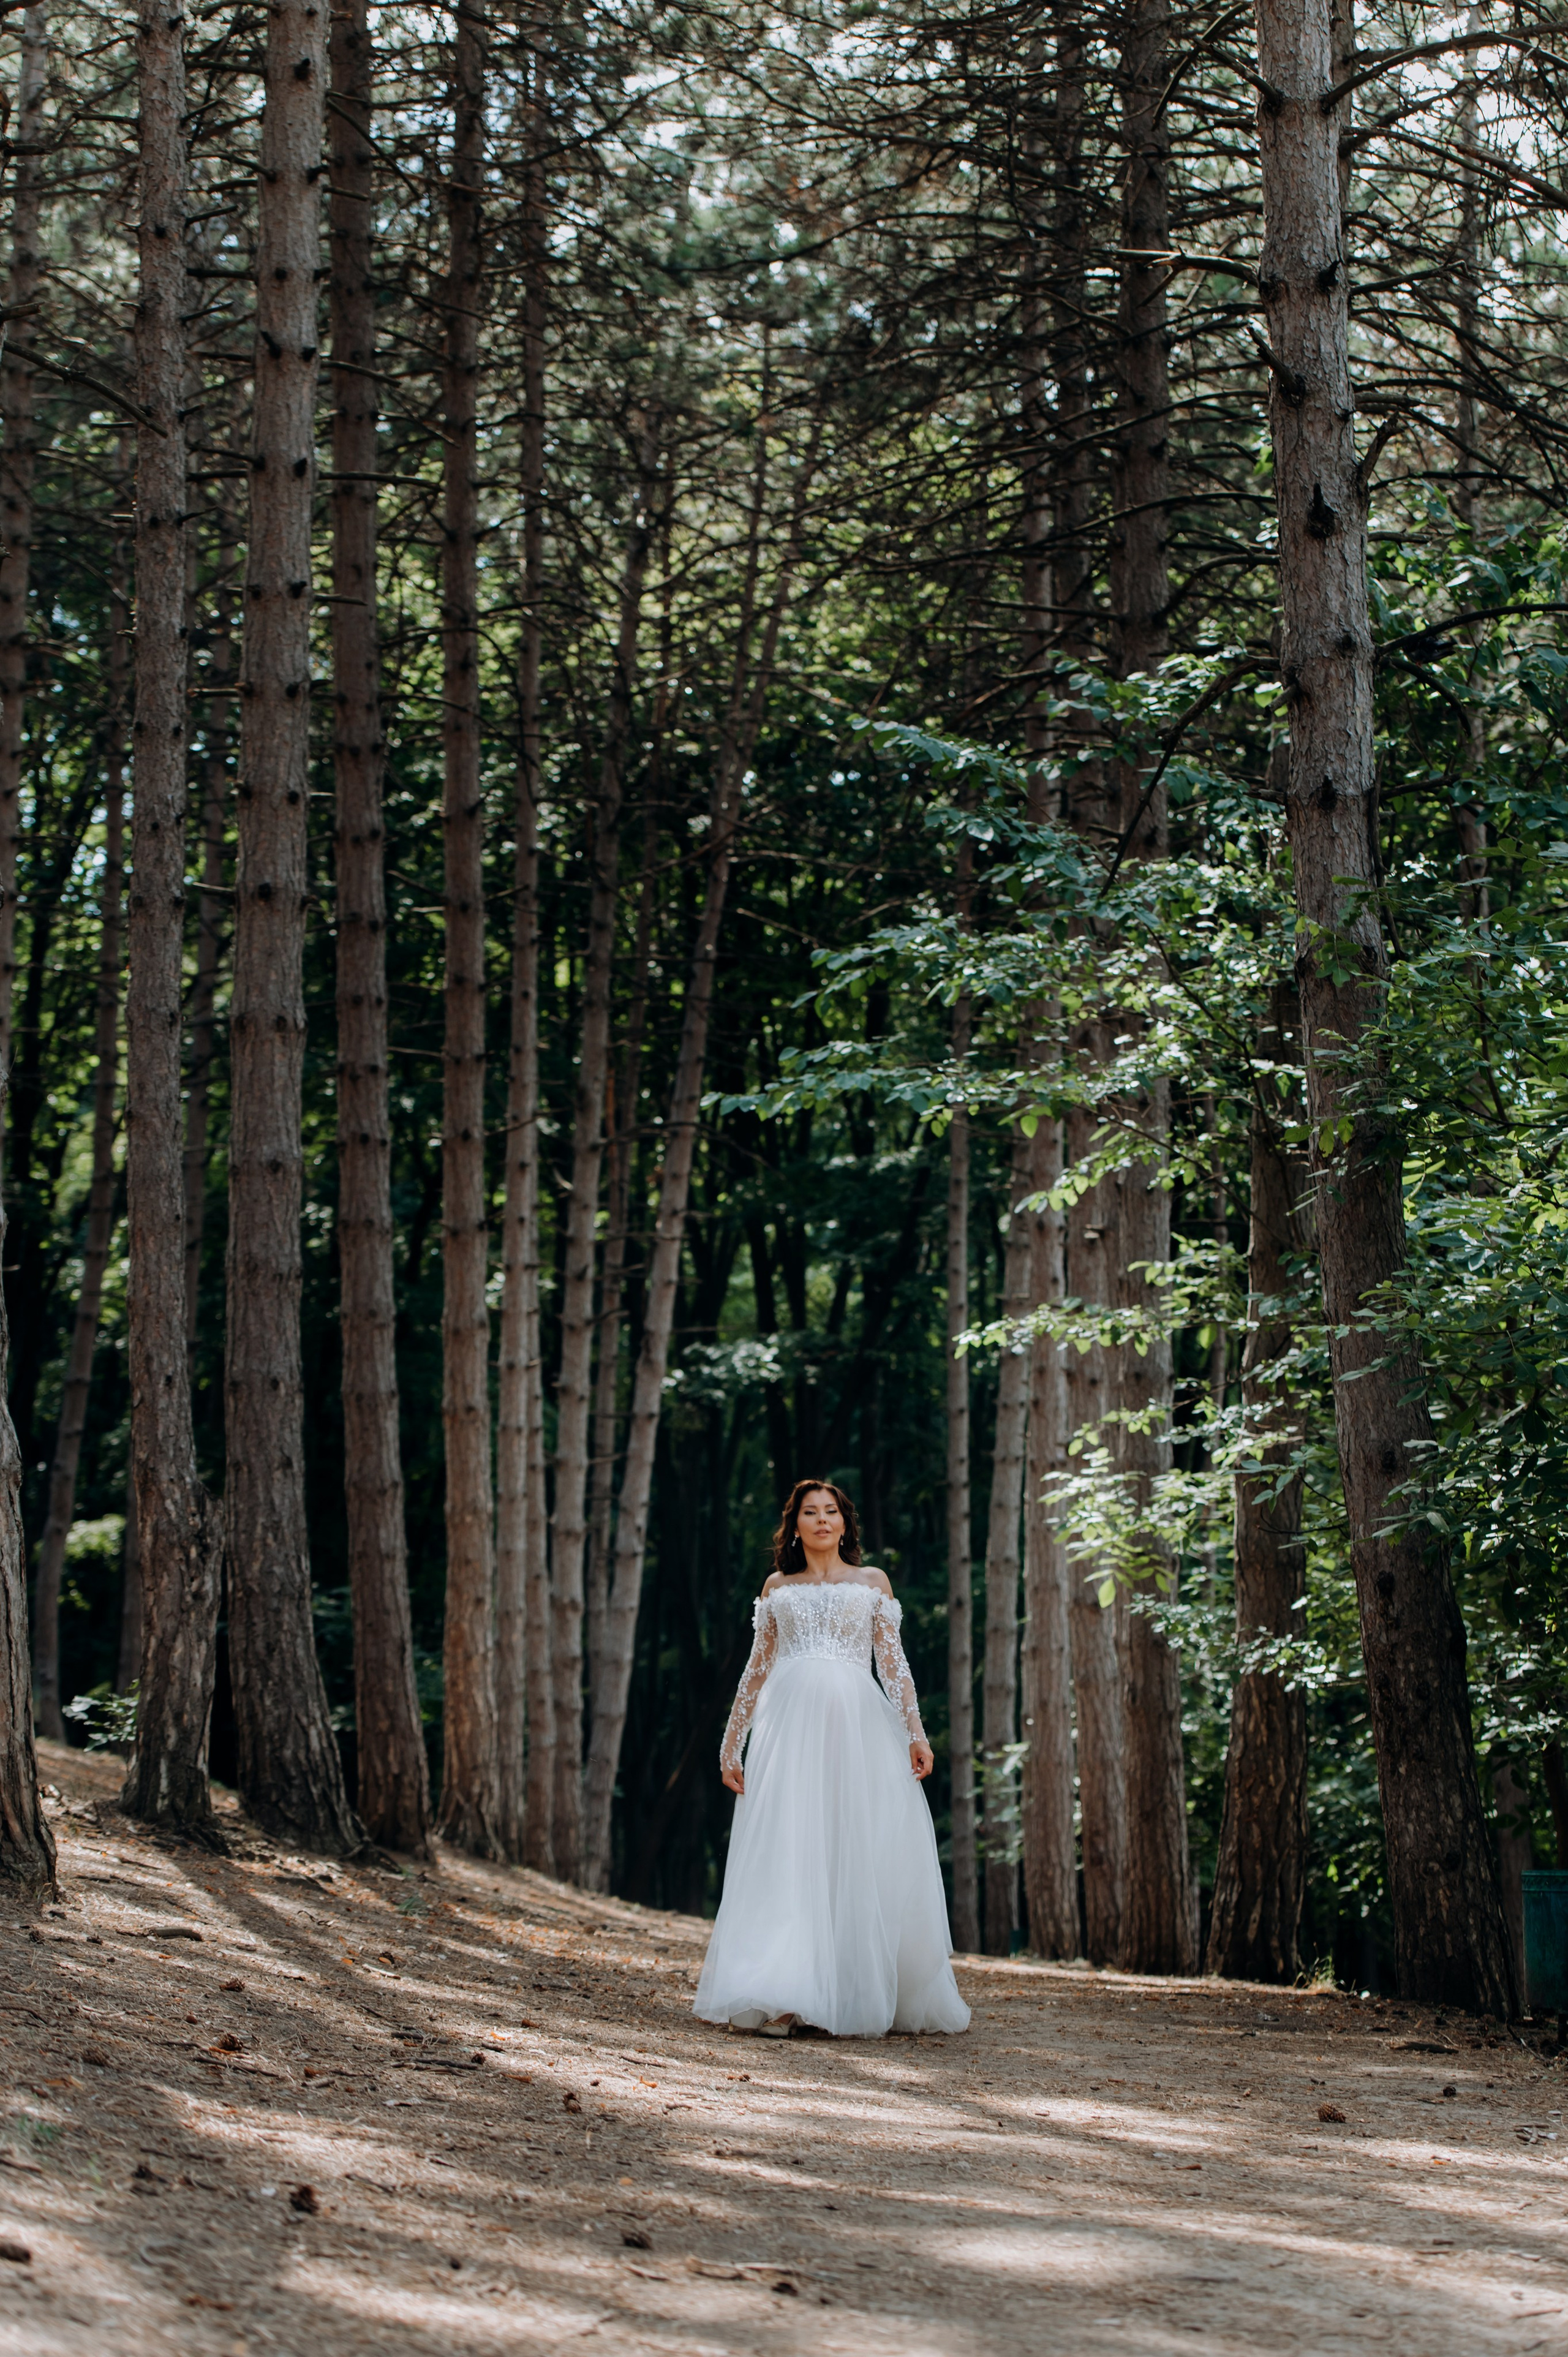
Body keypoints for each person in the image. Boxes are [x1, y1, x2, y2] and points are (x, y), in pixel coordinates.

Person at [693, 1478, 970, 2040]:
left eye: (831, 1512)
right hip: (787, 1733)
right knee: (791, 1850)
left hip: (857, 1731)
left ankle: (850, 1985)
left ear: (845, 1524)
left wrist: (916, 1734)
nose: (822, 1520)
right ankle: (786, 1992)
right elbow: (756, 1670)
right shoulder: (777, 1587)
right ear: (794, 1526)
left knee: (853, 1847)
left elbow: (893, 1666)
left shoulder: (872, 1582)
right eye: (810, 1512)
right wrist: (731, 1743)